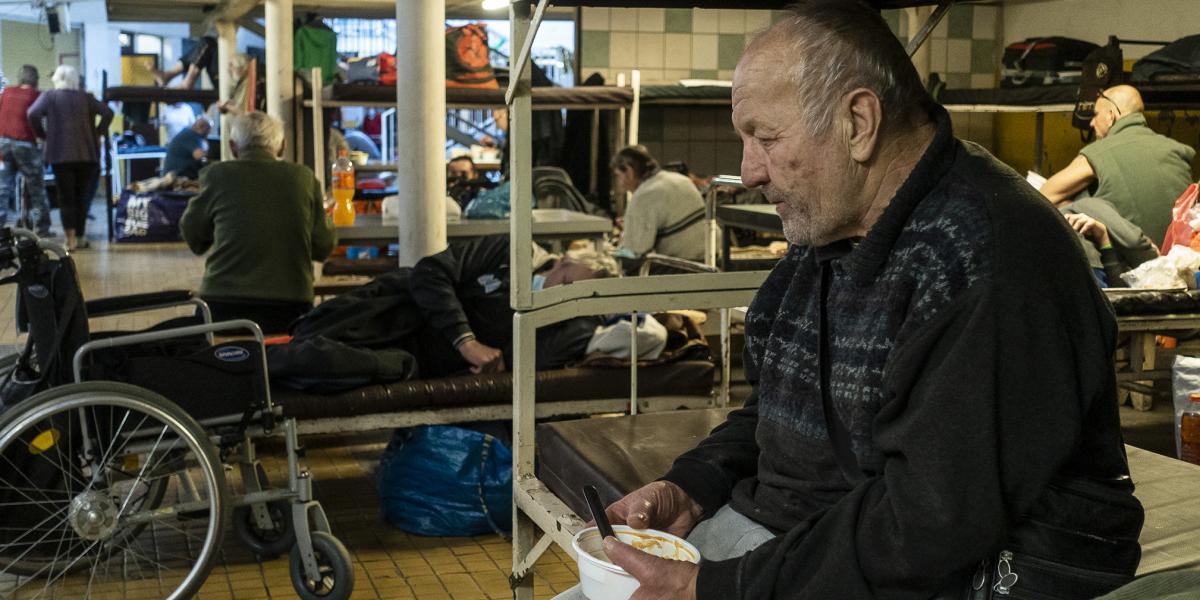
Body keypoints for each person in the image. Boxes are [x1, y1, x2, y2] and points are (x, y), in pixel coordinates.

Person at [565, 3, 1143, 599]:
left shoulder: (989, 254)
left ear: (859, 122)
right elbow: (776, 413)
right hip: (803, 538)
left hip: (954, 570)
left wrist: (718, 589)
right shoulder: (834, 231)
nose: (749, 171)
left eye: (765, 137)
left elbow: (930, 523)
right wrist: (692, 486)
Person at [180, 112, 335, 333]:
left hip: (222, 308)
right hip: (290, 310)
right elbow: (323, 246)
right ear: (282, 146)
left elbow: (193, 236)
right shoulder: (304, 177)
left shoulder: (217, 175)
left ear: (233, 147)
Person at [410, 235, 616, 378]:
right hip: (401, 313)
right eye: (565, 283)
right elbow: (430, 271)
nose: (561, 296)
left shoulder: (559, 325)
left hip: (420, 361)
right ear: (562, 262)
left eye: (574, 299)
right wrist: (466, 342)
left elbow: (545, 355)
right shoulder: (511, 252)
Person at [1041, 85, 1195, 244]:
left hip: (1134, 260)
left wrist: (1080, 206)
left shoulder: (1099, 153)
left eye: (1095, 115)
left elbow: (1044, 197)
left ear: (1110, 116)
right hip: (1181, 257)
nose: (1092, 123)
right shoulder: (1176, 150)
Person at [27, 65, 113, 251]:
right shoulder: (86, 97)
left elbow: (32, 113)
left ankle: (70, 240)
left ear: (57, 78)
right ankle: (81, 237)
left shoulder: (50, 96)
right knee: (82, 198)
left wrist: (43, 136)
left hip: (60, 155)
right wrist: (97, 133)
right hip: (86, 155)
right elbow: (108, 113)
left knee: (66, 197)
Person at [613, 145, 707, 267]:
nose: (620, 184)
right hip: (709, 257)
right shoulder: (680, 179)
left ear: (629, 171)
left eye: (618, 176)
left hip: (683, 266)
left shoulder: (644, 194)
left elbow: (634, 253)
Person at [1062, 198, 1158, 288]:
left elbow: (1117, 294)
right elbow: (1133, 241)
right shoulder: (1083, 204)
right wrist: (1153, 256)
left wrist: (1104, 239)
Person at [0, 65, 50, 235]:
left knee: (2, 189)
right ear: (35, 79)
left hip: (2, 145)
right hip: (26, 145)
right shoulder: (38, 95)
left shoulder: (6, 92)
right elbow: (41, 119)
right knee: (36, 190)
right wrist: (43, 137)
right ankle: (40, 228)